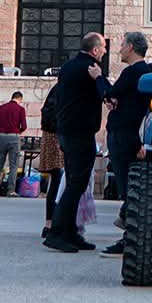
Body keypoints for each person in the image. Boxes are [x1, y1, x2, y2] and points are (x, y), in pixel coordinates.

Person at [45, 33, 111, 253]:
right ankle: (56, 232)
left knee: (75, 182)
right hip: (80, 133)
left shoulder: (68, 67)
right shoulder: (91, 69)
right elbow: (107, 94)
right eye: (103, 48)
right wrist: (100, 79)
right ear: (95, 50)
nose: (105, 52)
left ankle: (70, 232)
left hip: (67, 131)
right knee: (76, 184)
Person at [101, 31, 152, 256]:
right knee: (129, 186)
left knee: (128, 187)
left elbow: (110, 92)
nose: (119, 49)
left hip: (123, 134)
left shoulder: (133, 71)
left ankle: (129, 235)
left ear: (131, 47)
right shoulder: (144, 73)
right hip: (131, 133)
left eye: (122, 45)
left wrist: (98, 77)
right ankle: (127, 226)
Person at [0, 90, 28, 196]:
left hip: (2, 137)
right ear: (20, 99)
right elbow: (24, 126)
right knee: (13, 165)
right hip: (14, 137)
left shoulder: (1, 108)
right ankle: (11, 190)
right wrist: (17, 131)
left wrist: (3, 129)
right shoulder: (20, 109)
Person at [39, 85, 65, 236]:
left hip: (53, 135)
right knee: (59, 180)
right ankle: (55, 223)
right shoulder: (64, 90)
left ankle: (50, 222)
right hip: (58, 136)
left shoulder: (57, 90)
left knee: (56, 181)